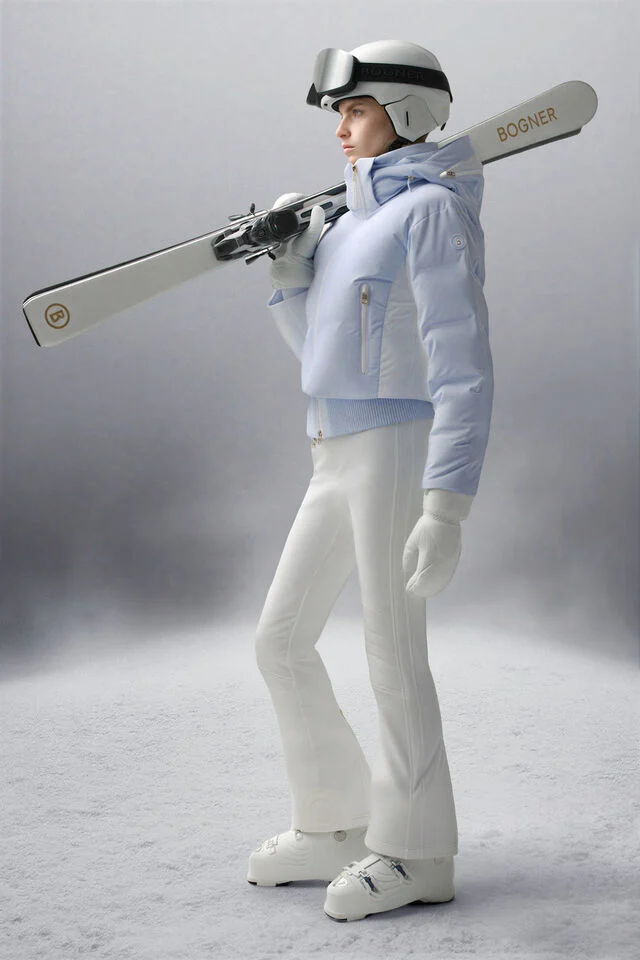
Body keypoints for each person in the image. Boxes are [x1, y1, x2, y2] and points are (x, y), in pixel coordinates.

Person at [247, 40, 493, 922]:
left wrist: (446, 504)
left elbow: (463, 365)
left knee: (392, 653)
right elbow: (322, 357)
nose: (341, 129)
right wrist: (290, 274)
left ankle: (420, 852)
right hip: (332, 446)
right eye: (339, 113)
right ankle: (337, 822)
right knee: (281, 641)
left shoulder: (432, 211)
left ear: (408, 113)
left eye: (356, 109)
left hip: (394, 446)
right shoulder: (348, 223)